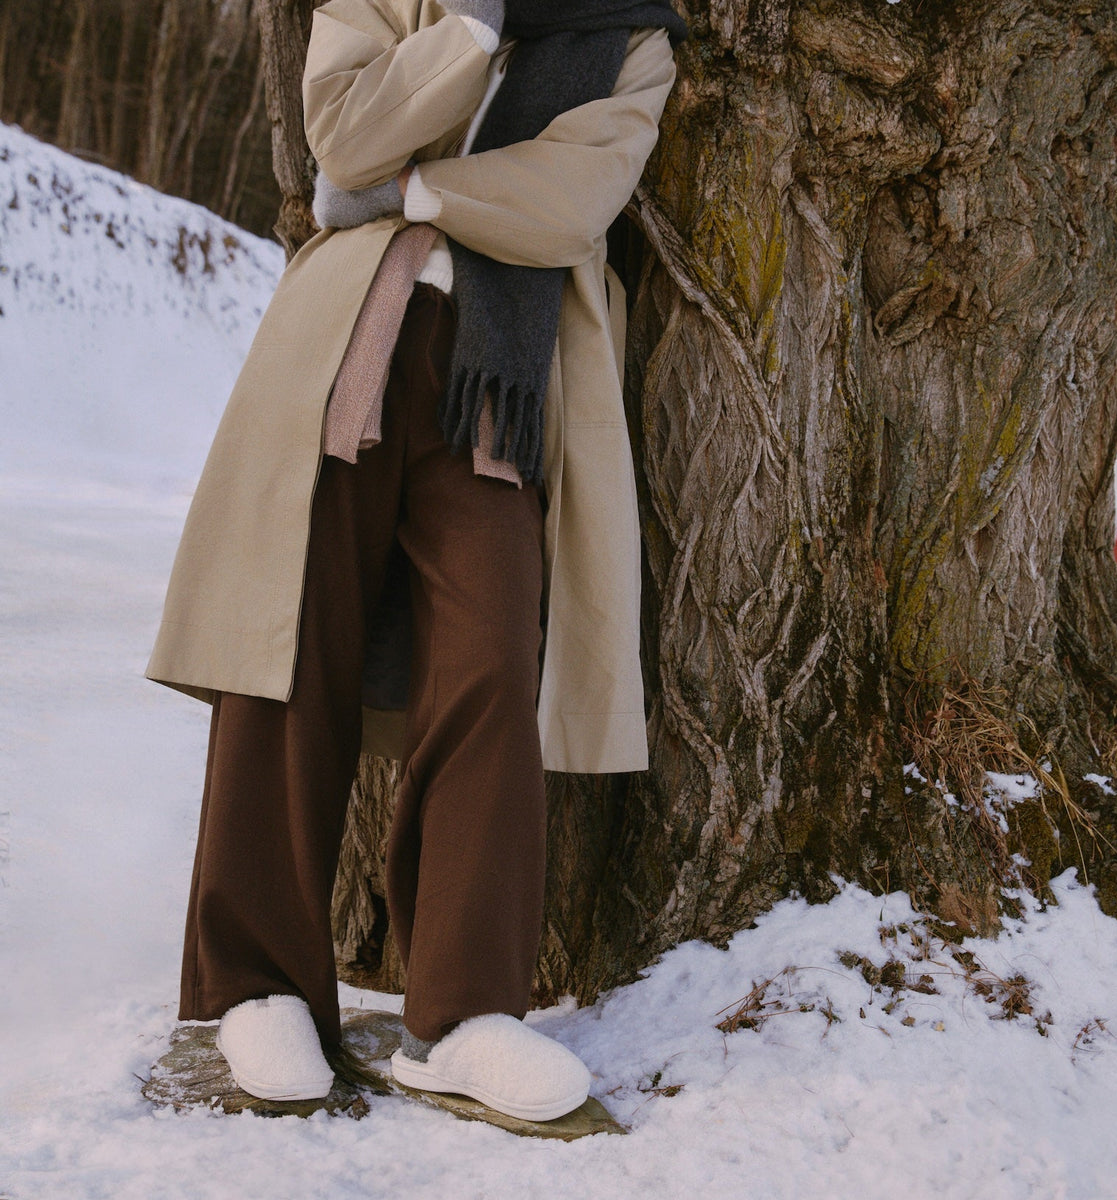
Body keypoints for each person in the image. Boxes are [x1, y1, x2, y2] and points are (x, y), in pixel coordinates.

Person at [146, 0, 685, 1122]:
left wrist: (407, 193)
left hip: (507, 378)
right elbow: (342, 132)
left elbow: (571, 202)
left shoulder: (635, 40)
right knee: (288, 642)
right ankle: (259, 985)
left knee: (491, 661)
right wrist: (476, 31)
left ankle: (462, 1015)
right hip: (349, 338)